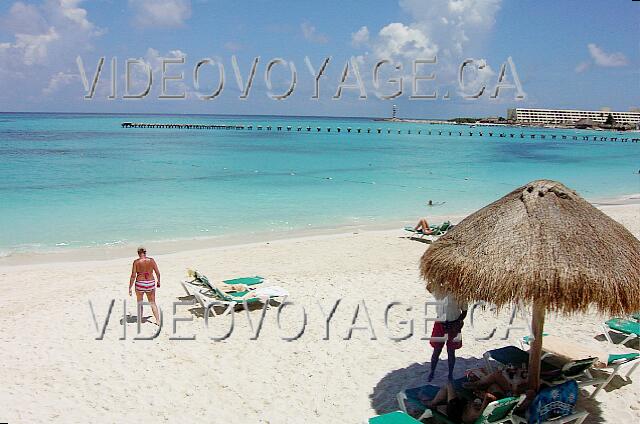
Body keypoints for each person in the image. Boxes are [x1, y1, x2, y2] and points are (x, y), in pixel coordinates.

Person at [428, 290, 467, 381]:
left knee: (451, 351)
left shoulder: (460, 294)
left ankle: (450, 374)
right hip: (440, 324)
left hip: (454, 325)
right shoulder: (438, 290)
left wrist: (458, 322)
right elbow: (429, 287)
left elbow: (464, 312)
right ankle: (432, 371)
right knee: (436, 350)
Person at [421, 381, 496, 424]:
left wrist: (473, 401)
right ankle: (437, 403)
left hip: (457, 413)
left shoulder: (479, 412)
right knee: (456, 392)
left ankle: (432, 403)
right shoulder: (490, 409)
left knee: (449, 384)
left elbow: (474, 411)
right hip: (461, 410)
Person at [129, 246, 161, 325]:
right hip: (150, 283)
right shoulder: (151, 260)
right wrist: (158, 281)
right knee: (152, 303)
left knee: (140, 302)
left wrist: (130, 287)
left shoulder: (136, 262)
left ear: (138, 253)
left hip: (140, 283)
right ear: (145, 252)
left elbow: (133, 276)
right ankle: (157, 321)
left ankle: (139, 320)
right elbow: (157, 272)